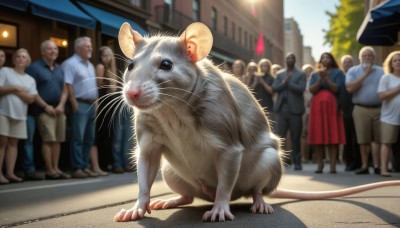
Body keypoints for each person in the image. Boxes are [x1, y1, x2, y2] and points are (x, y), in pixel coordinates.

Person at [23, 40, 70, 180]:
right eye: (49, 49)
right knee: (48, 139)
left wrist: (61, 105)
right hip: (43, 109)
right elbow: (32, 90)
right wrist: (45, 106)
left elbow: (65, 90)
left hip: (59, 109)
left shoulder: (59, 68)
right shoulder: (34, 68)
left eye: (55, 49)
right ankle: (49, 170)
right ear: (43, 51)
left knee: (58, 140)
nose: (53, 51)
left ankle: (56, 168)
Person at [62, 36, 99, 178]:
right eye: (87, 46)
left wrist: (96, 103)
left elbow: (93, 86)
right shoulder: (70, 63)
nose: (90, 48)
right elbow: (67, 84)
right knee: (78, 137)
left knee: (89, 138)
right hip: (80, 104)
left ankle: (84, 166)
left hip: (91, 104)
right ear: (78, 49)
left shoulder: (90, 64)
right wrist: (74, 103)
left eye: (90, 46)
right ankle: (77, 168)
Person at [0, 49, 37, 184]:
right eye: (18, 56)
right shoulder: (5, 72)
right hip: (3, 112)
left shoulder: (30, 79)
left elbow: (31, 99)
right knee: (2, 142)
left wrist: (16, 91)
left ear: (28, 61)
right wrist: (15, 88)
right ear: (14, 59)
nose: (21, 59)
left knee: (13, 144)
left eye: (24, 57)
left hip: (20, 115)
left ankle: (10, 173)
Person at [345, 46, 384, 175]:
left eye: (370, 55)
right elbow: (350, 88)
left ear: (374, 57)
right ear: (360, 58)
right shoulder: (353, 71)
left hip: (379, 109)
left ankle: (377, 166)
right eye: (365, 55)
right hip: (360, 109)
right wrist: (365, 74)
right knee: (363, 140)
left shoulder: (382, 71)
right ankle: (365, 165)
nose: (367, 58)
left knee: (377, 140)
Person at [308, 52, 346, 174]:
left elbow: (337, 89)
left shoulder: (338, 73)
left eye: (327, 57)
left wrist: (326, 78)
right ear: (320, 61)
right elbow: (312, 90)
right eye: (323, 57)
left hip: (332, 107)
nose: (325, 59)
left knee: (332, 136)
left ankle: (333, 166)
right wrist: (320, 78)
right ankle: (320, 165)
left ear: (332, 60)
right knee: (318, 136)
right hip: (317, 108)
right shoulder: (315, 74)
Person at [272, 53, 306, 170]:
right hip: (282, 110)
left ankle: (297, 162)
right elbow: (274, 88)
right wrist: (283, 83)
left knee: (295, 137)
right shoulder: (280, 74)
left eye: (292, 58)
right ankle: (282, 162)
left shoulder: (301, 74)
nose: (290, 60)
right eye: (288, 58)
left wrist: (289, 83)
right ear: (285, 60)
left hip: (295, 111)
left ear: (295, 60)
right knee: (281, 137)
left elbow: (301, 88)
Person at [377, 51, 400, 177]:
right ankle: (384, 169)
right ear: (391, 64)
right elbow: (382, 96)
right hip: (389, 117)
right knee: (387, 143)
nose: (398, 62)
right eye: (395, 60)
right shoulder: (386, 78)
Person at [339, 55, 361, 171]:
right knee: (347, 137)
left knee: (357, 137)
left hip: (356, 108)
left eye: (349, 62)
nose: (347, 64)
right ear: (342, 65)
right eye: (345, 62)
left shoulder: (356, 76)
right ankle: (349, 162)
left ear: (353, 64)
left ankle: (359, 162)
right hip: (345, 111)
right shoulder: (340, 77)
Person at [301, 64, 314, 163]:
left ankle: (312, 156)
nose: (308, 72)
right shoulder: (300, 82)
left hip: (312, 108)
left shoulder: (313, 82)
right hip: (302, 108)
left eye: (310, 70)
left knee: (312, 132)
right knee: (303, 133)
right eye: (306, 71)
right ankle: (304, 156)